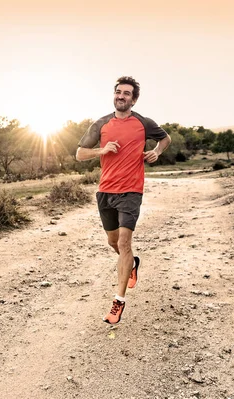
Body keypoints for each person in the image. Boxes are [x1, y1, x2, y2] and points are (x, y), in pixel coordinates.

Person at [76, 76, 171, 324]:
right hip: (105, 191)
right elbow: (79, 154)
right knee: (113, 242)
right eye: (118, 92)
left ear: (134, 99)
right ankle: (132, 264)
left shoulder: (143, 123)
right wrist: (101, 150)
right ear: (114, 95)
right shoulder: (101, 124)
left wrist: (156, 152)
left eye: (127, 93)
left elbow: (165, 138)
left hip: (131, 191)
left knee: (125, 244)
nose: (121, 96)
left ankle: (118, 301)